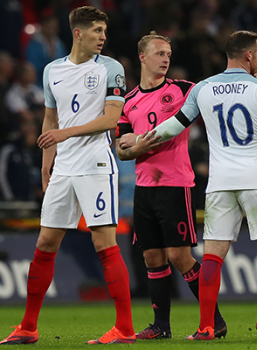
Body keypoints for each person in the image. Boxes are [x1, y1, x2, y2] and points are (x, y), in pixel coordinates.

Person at [121, 30, 257, 340]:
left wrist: (139, 140)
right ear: (248, 55)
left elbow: (171, 127)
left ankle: (206, 326)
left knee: (213, 253)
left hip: (219, 183)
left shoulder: (203, 88)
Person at [0, 6, 135, 345]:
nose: (103, 37)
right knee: (45, 242)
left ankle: (125, 328)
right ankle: (28, 327)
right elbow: (50, 120)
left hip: (96, 164)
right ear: (78, 33)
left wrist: (64, 134)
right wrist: (48, 161)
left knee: (104, 241)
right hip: (64, 168)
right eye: (96, 31)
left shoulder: (111, 69)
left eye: (104, 31)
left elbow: (110, 121)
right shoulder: (52, 71)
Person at [115, 32, 226, 340]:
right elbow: (121, 150)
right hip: (144, 186)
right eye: (160, 53)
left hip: (176, 184)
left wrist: (137, 142)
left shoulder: (183, 91)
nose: (166, 58)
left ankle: (214, 320)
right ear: (142, 57)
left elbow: (216, 93)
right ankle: (161, 326)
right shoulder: (128, 102)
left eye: (168, 53)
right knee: (152, 258)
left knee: (179, 256)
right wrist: (136, 148)